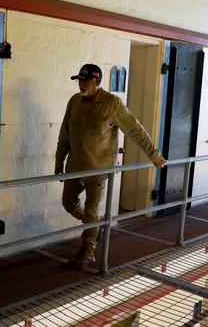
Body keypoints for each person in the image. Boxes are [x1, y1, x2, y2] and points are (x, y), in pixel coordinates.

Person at [55, 63, 167, 269]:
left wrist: (154, 154)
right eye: (79, 80)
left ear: (98, 81)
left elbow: (135, 130)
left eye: (85, 80)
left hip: (99, 169)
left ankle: (88, 249)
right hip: (74, 166)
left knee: (90, 209)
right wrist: (59, 162)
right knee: (68, 203)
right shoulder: (74, 101)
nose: (81, 84)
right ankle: (96, 225)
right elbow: (65, 134)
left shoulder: (112, 104)